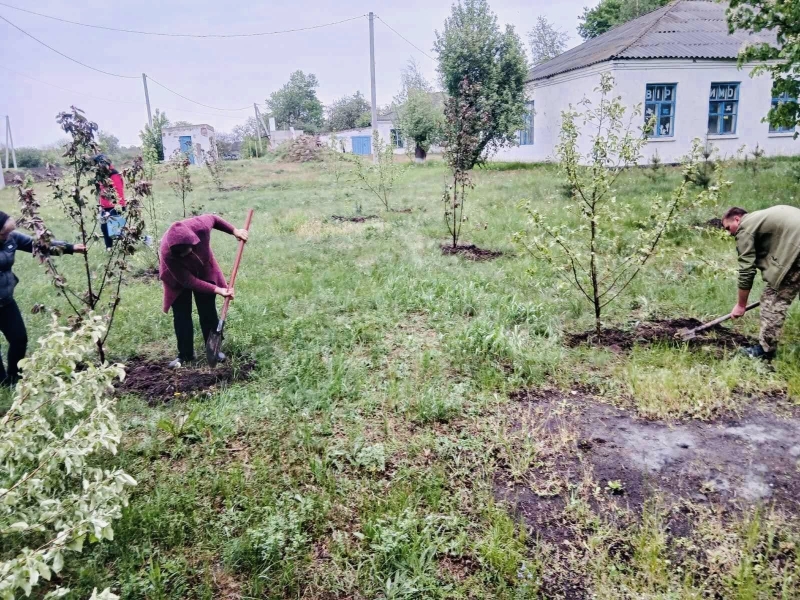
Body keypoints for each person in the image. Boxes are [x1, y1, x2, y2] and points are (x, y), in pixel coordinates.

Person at [0, 211, 86, 386]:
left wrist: (70, 248)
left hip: (6, 300)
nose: (8, 236)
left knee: (19, 339)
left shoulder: (11, 238)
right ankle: (2, 383)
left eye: (9, 232)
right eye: (3, 233)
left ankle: (14, 378)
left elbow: (38, 245)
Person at [159, 214, 248, 368]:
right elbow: (188, 281)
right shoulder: (168, 254)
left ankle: (213, 349)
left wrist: (235, 231)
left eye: (187, 251)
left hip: (203, 269)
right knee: (181, 314)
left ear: (192, 241)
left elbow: (214, 218)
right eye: (181, 255)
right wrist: (217, 289)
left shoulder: (200, 226)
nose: (185, 256)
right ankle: (185, 354)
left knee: (207, 309)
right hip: (177, 279)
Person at [722, 205, 800, 359]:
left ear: (737, 219)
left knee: (772, 299)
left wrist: (741, 305)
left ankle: (765, 350)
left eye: (728, 227)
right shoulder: (759, 219)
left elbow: (746, 270)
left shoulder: (744, 227)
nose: (729, 233)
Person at [94, 154, 127, 249]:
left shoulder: (114, 174)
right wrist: (100, 206)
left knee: (116, 230)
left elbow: (119, 191)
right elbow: (101, 191)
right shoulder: (101, 175)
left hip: (115, 206)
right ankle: (109, 248)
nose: (97, 167)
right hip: (104, 207)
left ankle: (135, 241)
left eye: (98, 165)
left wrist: (118, 207)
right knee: (104, 228)